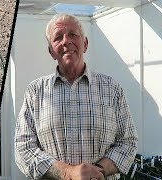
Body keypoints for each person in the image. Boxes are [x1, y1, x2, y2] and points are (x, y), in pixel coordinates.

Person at [14, 13, 138, 180]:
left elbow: (128, 142)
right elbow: (23, 148)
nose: (66, 41)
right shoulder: (36, 91)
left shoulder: (111, 88)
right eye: (58, 37)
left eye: (73, 34)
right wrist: (67, 173)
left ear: (85, 44)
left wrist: (98, 171)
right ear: (51, 51)